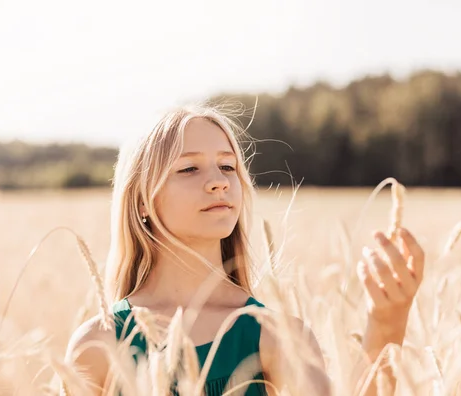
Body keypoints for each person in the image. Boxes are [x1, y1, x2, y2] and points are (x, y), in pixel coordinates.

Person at [65, 104, 425, 395]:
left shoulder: (276, 336)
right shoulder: (99, 344)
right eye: (189, 168)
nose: (219, 182)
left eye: (227, 166)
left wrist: (386, 321)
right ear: (142, 201)